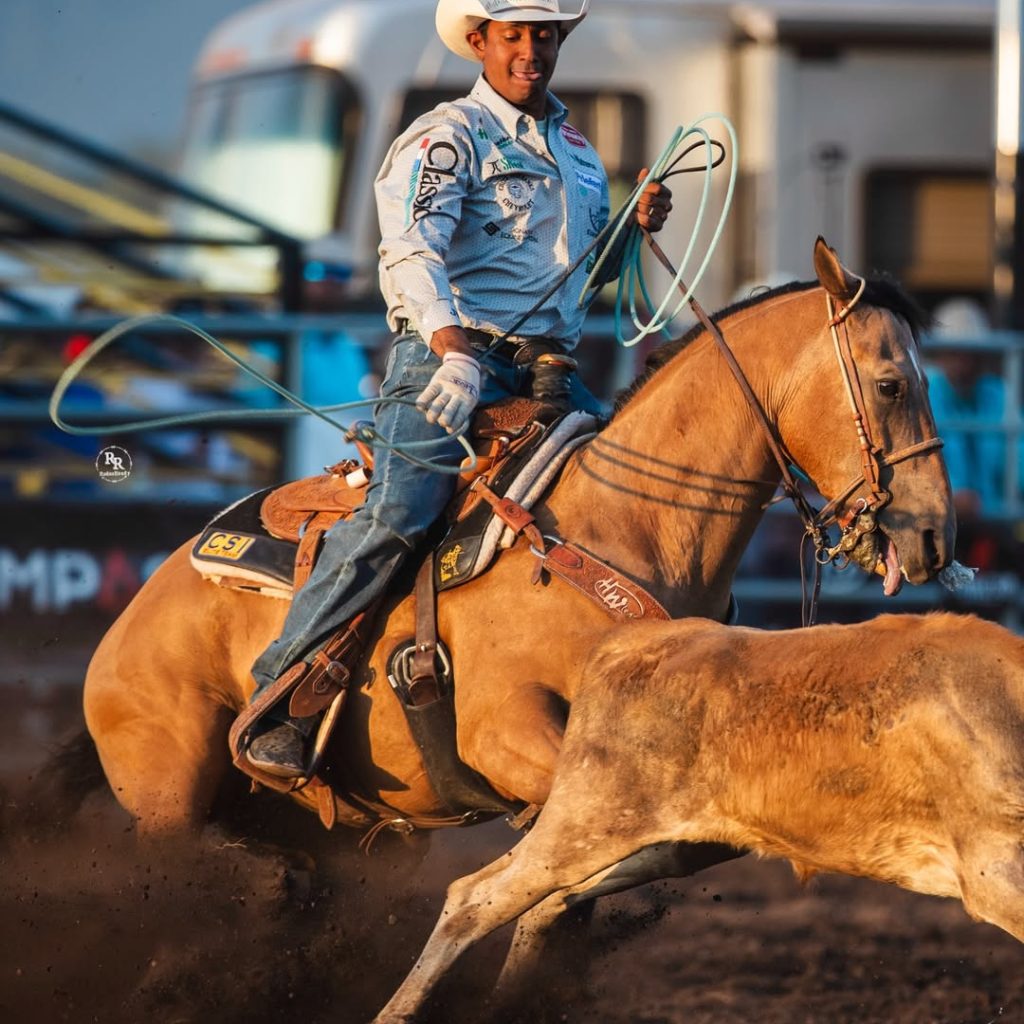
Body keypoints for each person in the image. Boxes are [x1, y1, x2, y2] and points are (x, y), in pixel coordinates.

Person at [243, 0, 674, 778]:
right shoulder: (447, 137)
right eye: (514, 35)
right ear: (479, 41)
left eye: (544, 35)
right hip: (446, 364)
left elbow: (580, 279)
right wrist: (451, 346)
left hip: (549, 376)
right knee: (400, 510)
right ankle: (282, 690)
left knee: (633, 501)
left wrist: (629, 232)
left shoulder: (578, 152)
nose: (531, 51)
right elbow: (410, 249)